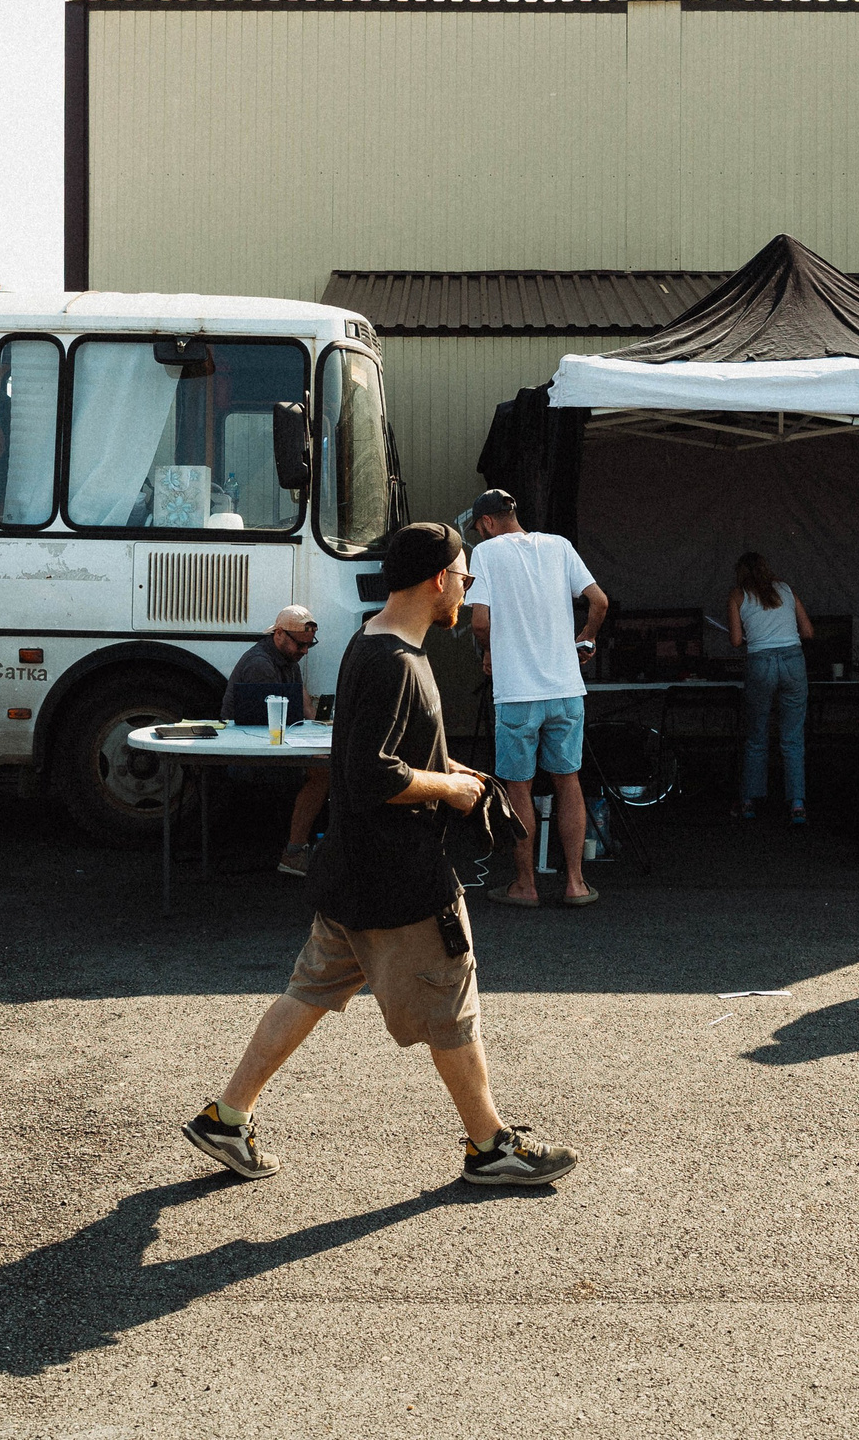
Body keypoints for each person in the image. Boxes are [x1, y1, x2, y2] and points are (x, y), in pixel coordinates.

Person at [182, 522, 577, 1187]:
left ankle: (227, 1115)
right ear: (435, 580)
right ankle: (490, 1147)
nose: (468, 586)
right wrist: (447, 787)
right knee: (452, 1002)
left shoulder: (373, 641)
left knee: (306, 992)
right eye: (464, 574)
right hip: (400, 879)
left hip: (352, 874)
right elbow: (369, 775)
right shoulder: (396, 661)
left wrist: (451, 767)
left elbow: (378, 751)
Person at [465, 489, 609, 908]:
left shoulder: (488, 554)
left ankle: (525, 885)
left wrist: (491, 651)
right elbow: (598, 602)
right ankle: (576, 884)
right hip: (565, 688)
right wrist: (585, 639)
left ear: (487, 522)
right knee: (569, 782)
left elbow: (478, 623)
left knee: (519, 787)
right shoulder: (559, 546)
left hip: (517, 693)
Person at [221, 605, 331, 875]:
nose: (304, 652)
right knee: (321, 773)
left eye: (309, 646)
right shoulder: (260, 665)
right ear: (279, 634)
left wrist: (324, 725)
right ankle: (294, 852)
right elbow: (271, 726)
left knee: (327, 763)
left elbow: (303, 710)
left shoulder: (287, 660)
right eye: (300, 645)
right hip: (252, 753)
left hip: (268, 743)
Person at [729, 551, 815, 826]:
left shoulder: (737, 595)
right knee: (792, 737)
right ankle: (797, 804)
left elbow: (735, 640)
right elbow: (808, 632)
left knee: (756, 735)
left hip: (761, 662)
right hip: (793, 661)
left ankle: (749, 802)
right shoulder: (786, 589)